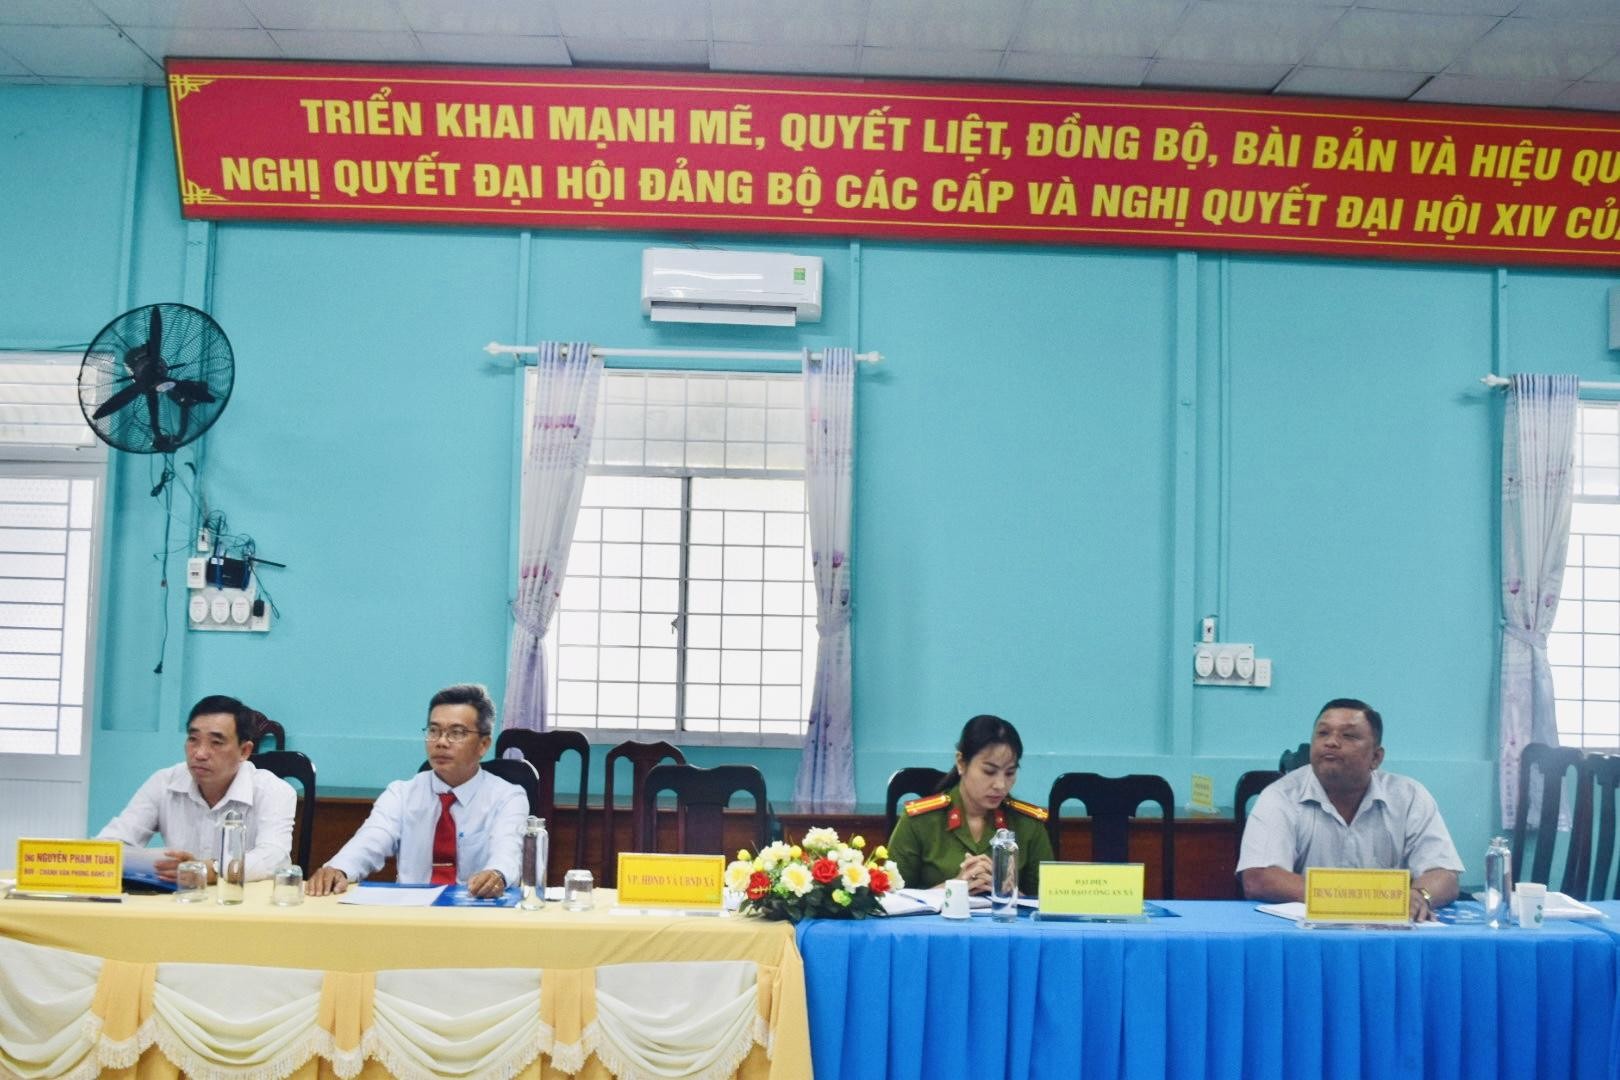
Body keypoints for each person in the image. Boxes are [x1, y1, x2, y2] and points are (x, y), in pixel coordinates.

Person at [1238, 697, 1463, 921]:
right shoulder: (1280, 796)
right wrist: (1365, 900)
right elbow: (1258, 877)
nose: (1331, 742)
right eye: (1323, 733)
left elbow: (1444, 874)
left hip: (1388, 932)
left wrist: (1420, 896)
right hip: (1304, 932)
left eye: (1348, 736)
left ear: (1376, 757)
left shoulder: (1409, 796)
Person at [306, 684, 525, 898]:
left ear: (483, 745)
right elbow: (370, 840)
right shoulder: (401, 794)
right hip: (411, 911)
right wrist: (339, 869)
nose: (441, 742)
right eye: (434, 731)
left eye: (456, 733)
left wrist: (497, 874)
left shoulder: (507, 797)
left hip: (475, 909)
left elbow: (508, 851)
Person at [98, 694, 295, 882]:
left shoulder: (273, 791)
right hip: (179, 900)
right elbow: (112, 843)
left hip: (241, 902)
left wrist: (212, 870)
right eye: (193, 739)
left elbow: (274, 858)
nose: (200, 754)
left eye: (216, 742)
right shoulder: (164, 782)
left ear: (244, 751)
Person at [887, 714, 1053, 897]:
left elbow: (1047, 903)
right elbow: (890, 900)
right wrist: (953, 888)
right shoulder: (919, 821)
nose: (1000, 785)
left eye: (1010, 773)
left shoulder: (1028, 825)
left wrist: (1008, 892)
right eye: (989, 772)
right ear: (961, 763)